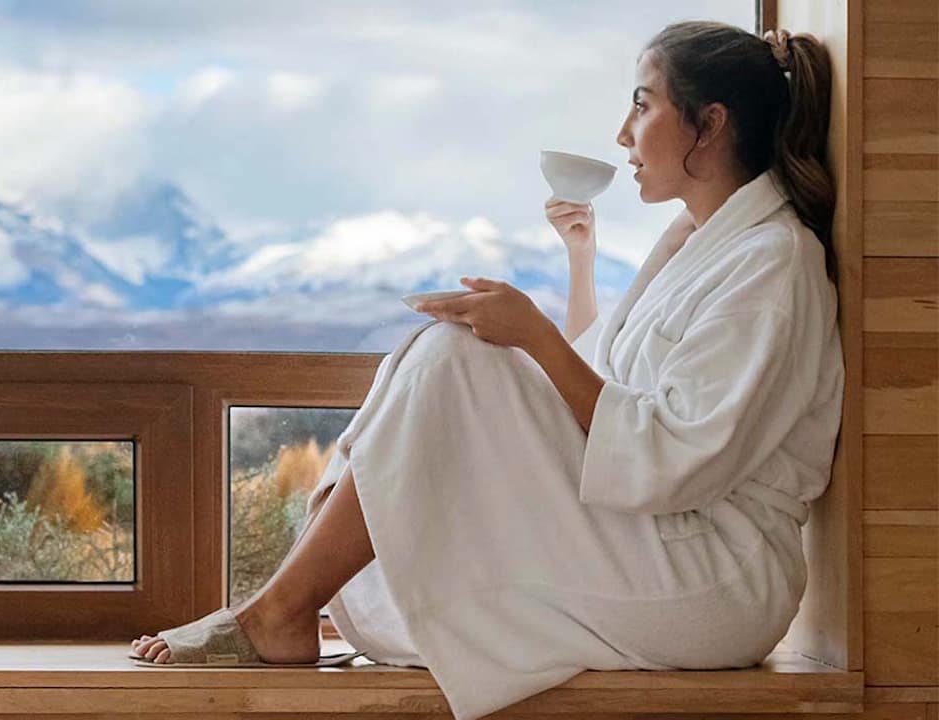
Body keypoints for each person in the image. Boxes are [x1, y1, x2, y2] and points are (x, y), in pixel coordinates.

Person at [131, 20, 844, 720]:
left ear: (710, 123)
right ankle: (285, 605)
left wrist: (532, 335)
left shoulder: (773, 263)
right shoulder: (702, 246)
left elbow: (671, 454)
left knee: (455, 360)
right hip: (662, 537)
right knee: (448, 357)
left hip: (712, 579)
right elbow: (605, 389)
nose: (623, 134)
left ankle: (278, 612)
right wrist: (569, 279)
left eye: (642, 102)